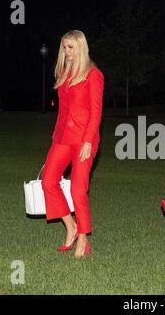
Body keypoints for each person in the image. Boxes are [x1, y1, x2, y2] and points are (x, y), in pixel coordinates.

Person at [42, 30, 104, 259]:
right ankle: (70, 226)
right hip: (63, 137)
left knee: (78, 189)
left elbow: (96, 113)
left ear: (80, 48)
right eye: (64, 47)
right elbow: (63, 108)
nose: (66, 52)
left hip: (83, 139)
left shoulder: (93, 74)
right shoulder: (65, 72)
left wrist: (88, 140)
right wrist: (56, 133)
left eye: (70, 47)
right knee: (48, 180)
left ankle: (83, 239)